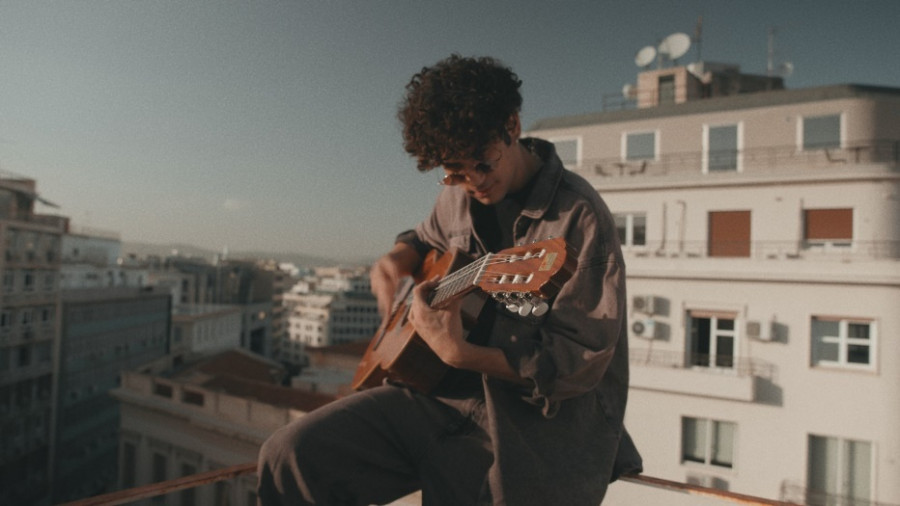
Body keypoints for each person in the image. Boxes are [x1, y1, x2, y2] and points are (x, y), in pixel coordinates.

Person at [257, 54, 641, 506]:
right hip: (435, 395)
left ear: (512, 126)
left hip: (526, 428)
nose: (474, 181)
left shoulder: (579, 216)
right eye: (455, 171)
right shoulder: (455, 197)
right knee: (288, 455)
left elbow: (580, 362)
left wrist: (462, 354)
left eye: (483, 162)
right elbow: (425, 239)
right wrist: (396, 259)